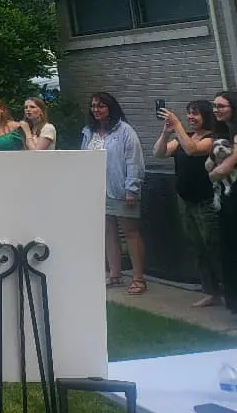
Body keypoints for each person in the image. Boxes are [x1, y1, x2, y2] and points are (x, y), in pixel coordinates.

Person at [154, 99, 221, 307]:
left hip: (207, 201)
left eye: (195, 113)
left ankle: (232, 289)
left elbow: (192, 150)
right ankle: (211, 292)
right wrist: (166, 133)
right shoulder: (185, 137)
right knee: (197, 247)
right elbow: (159, 153)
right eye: (189, 113)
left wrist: (177, 125)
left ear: (206, 116)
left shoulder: (213, 139)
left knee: (213, 245)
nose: (190, 117)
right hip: (187, 201)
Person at [81, 93, 147, 295]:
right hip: (97, 190)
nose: (96, 110)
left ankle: (138, 278)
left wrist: (132, 188)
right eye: (93, 106)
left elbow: (134, 160)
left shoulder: (125, 130)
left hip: (120, 189)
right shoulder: (88, 131)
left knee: (130, 232)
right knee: (108, 232)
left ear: (111, 108)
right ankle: (115, 274)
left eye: (101, 106)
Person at [209, 91, 237, 323]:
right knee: (234, 252)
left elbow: (225, 168)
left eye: (221, 106)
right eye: (214, 106)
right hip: (230, 200)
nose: (216, 110)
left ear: (235, 108)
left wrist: (214, 173)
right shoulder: (224, 134)